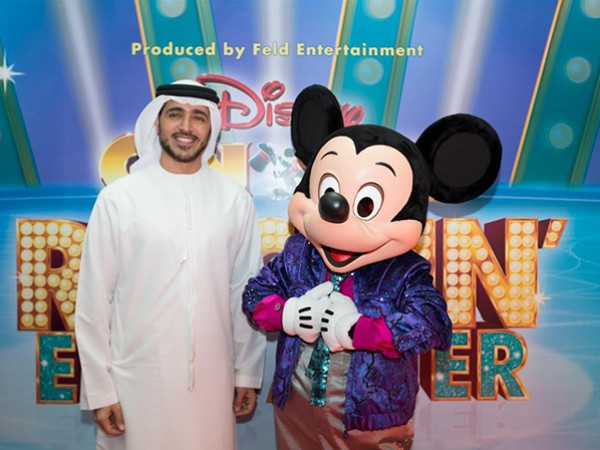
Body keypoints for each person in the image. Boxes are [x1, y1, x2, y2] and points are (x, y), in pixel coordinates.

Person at [242, 85, 502, 449]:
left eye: (365, 205)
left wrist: (359, 329)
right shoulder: (299, 252)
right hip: (296, 410)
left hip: (370, 422)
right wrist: (287, 314)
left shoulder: (405, 270)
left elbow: (431, 325)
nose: (336, 213)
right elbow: (255, 295)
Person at [75, 79, 266, 450]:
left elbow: (244, 294)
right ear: (157, 122)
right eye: (175, 114)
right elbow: (93, 303)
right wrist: (100, 390)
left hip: (212, 383)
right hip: (135, 383)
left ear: (211, 128)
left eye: (199, 117)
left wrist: (247, 371)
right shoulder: (119, 199)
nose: (186, 127)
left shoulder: (234, 201)